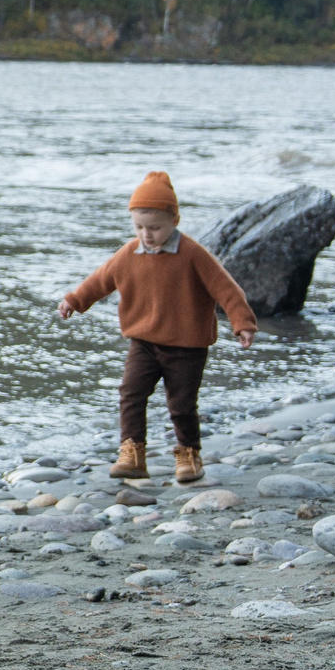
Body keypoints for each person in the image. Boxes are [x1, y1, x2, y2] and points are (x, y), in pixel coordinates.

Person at [57, 170, 257, 485]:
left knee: (181, 403)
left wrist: (242, 323)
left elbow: (226, 289)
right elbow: (101, 280)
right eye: (138, 227)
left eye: (155, 228)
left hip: (187, 346)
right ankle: (132, 451)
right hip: (144, 342)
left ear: (174, 221)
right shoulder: (129, 254)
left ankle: (189, 452)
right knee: (131, 392)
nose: (146, 235)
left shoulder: (192, 254)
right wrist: (75, 300)